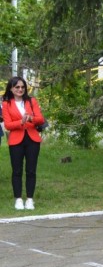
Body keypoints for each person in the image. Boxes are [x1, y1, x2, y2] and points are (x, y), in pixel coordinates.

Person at [2, 77, 47, 210]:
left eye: (22, 87)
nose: (20, 89)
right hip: (16, 140)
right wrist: (21, 121)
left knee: (31, 170)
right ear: (11, 88)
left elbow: (40, 119)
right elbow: (8, 125)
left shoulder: (31, 101)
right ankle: (18, 199)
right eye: (17, 87)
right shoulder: (6, 104)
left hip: (32, 139)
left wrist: (31, 118)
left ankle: (29, 199)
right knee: (17, 171)